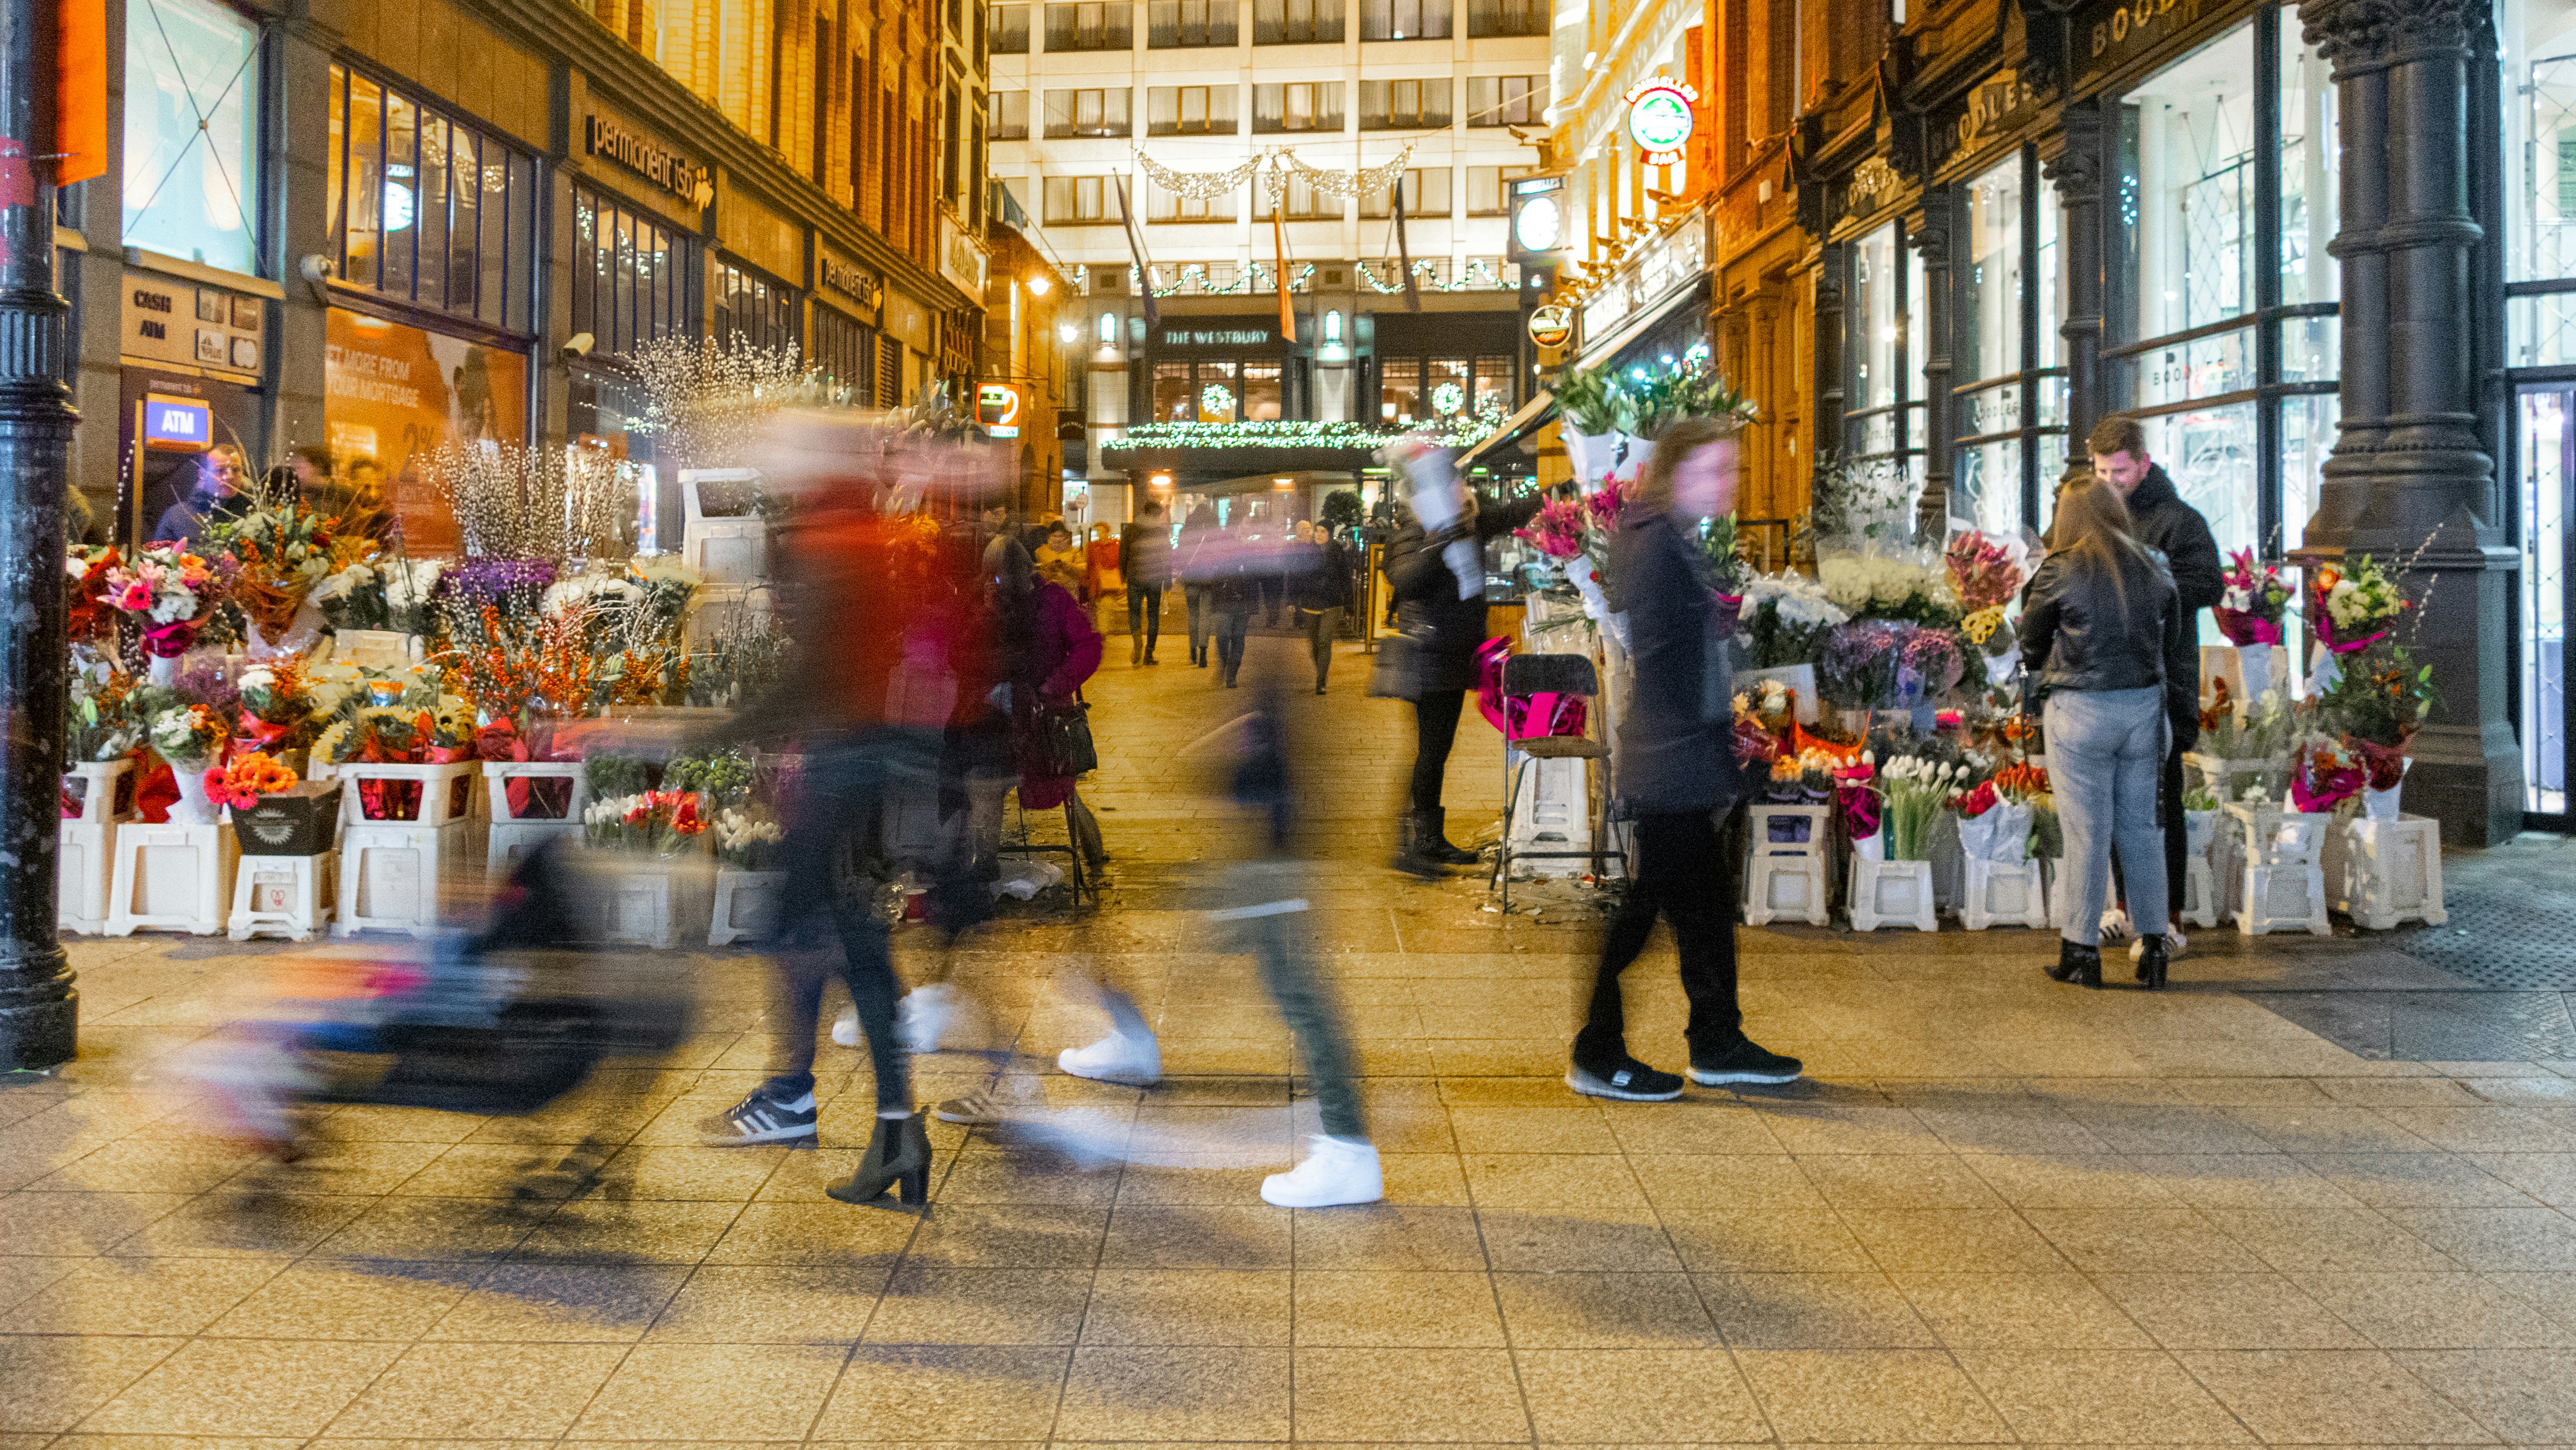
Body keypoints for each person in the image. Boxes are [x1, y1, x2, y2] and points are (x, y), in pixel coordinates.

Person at [697, 458, 975, 1209]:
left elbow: (816, 677)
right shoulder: (861, 536)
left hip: (839, 770)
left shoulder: (832, 541)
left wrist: (719, 731)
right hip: (867, 766)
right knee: (854, 947)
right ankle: (891, 1132)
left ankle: (812, 1104)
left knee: (805, 934)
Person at [1567, 418, 1803, 1100]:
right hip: (1670, 761)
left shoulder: (1666, 536)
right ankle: (1597, 1048)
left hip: (1680, 755)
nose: (1725, 484)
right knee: (1643, 909)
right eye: (1711, 470)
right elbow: (1671, 665)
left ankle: (1717, 1038)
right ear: (1675, 472)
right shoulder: (1655, 545)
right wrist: (1716, 733)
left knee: (1702, 908)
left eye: (1730, 470)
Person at [2017, 475, 2194, 990]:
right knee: (2143, 829)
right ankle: (2155, 946)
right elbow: (2175, 634)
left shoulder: (2061, 567)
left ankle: (2081, 952)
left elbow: (2030, 639)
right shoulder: (2155, 563)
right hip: (2144, 708)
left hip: (2080, 712)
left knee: (2087, 833)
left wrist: (2047, 661)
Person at [2086, 416, 2221, 960]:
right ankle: (2123, 908)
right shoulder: (2092, 513)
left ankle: (2165, 920)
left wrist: (2144, 581)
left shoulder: (2179, 521)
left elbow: (2209, 583)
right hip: (2106, 681)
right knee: (2117, 806)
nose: (2111, 481)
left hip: (2163, 683)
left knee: (2160, 804)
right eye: (2101, 471)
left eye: (2120, 470)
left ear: (2143, 463)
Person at [1380, 473, 1543, 875]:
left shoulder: (1468, 528)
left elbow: (1511, 514)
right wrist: (1441, 537)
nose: (1457, 493)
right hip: (1427, 657)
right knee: (1430, 751)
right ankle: (1419, 844)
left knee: (1435, 751)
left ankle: (1423, 840)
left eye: (1458, 487)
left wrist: (1555, 494)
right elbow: (1408, 580)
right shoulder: (1409, 536)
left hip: (1452, 658)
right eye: (1447, 488)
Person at [153, 444, 253, 545]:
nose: (230, 476)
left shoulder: (254, 516)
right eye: (220, 470)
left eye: (236, 470)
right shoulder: (178, 516)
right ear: (202, 475)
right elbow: (157, 557)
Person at [1291, 518, 1348, 693]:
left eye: (1323, 531)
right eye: (1317, 531)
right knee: (1315, 643)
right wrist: (1292, 600)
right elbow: (1297, 577)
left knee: (1324, 641)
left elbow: (1346, 579)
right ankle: (1321, 671)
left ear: (1330, 534)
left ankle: (1321, 680)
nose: (1319, 535)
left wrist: (1349, 604)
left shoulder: (1338, 552)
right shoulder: (1308, 552)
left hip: (1332, 603)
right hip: (1311, 603)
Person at [1121, 500, 1173, 665]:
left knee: (1134, 612)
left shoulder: (1131, 529)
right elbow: (1167, 556)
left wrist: (1123, 573)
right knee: (1153, 615)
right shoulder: (1162, 531)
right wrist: (1168, 578)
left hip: (1135, 576)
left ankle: (1137, 640)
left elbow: (1123, 552)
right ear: (1157, 514)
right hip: (1155, 578)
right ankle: (1149, 654)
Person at [1179, 503, 1219, 667]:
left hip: (1191, 578)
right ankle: (1204, 653)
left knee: (1193, 615)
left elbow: (1180, 554)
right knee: (1206, 615)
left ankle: (1192, 652)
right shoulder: (1214, 533)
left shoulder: (1186, 531)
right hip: (1209, 579)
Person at [1035, 522, 1087, 598]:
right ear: (1050, 537)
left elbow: (1082, 571)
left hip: (1069, 593)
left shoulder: (1075, 552)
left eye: (1061, 536)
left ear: (1066, 537)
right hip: (1048, 594)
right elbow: (1036, 572)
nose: (1058, 539)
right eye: (1055, 536)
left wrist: (1068, 567)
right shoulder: (1041, 551)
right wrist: (1048, 569)